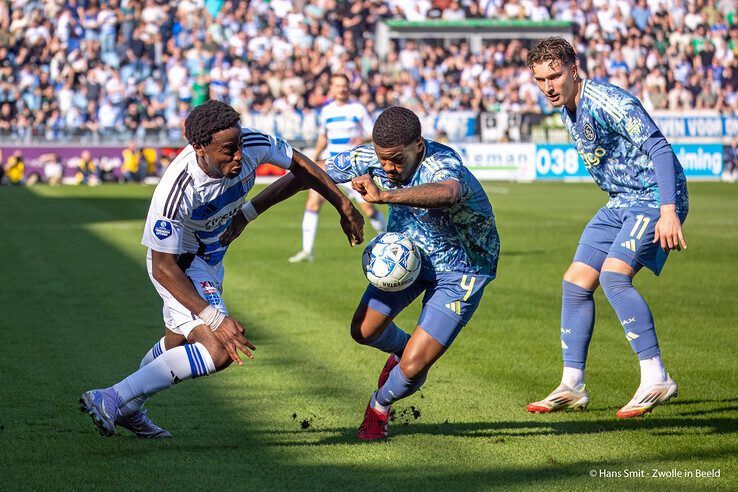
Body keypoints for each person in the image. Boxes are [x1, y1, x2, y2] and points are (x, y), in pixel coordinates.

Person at [79, 100, 364, 438]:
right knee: (218, 348)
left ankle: (130, 409)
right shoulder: (177, 190)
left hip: (212, 259)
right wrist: (215, 318)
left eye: (240, 145)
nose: (239, 156)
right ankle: (111, 397)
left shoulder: (251, 144)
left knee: (178, 341)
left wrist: (340, 204)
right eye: (228, 150)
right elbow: (162, 267)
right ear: (199, 148)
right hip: (182, 266)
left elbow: (301, 169)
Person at [248, 106, 500, 440]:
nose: (388, 167)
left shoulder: (442, 162)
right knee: (363, 332)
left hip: (464, 267)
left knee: (411, 369)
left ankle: (379, 406)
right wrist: (247, 213)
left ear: (418, 146)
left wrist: (386, 195)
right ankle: (406, 351)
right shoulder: (367, 157)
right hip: (409, 258)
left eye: (397, 159)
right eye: (383, 160)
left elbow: (449, 192)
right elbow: (305, 174)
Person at [524, 37, 689, 419]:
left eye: (556, 75)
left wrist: (668, 211)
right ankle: (572, 385)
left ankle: (656, 376)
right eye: (540, 79)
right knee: (576, 281)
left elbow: (659, 149)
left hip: (653, 197)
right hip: (620, 201)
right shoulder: (567, 105)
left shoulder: (607, 101)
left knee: (615, 276)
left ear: (574, 68)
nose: (549, 86)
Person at [289, 73, 387, 263]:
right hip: (331, 166)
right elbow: (323, 139)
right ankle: (307, 251)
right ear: (331, 89)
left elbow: (373, 133)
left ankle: (388, 237)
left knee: (368, 207)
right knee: (313, 203)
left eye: (344, 85)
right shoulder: (326, 112)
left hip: (353, 168)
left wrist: (362, 139)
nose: (341, 89)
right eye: (338, 85)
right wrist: (312, 160)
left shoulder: (358, 109)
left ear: (349, 87)